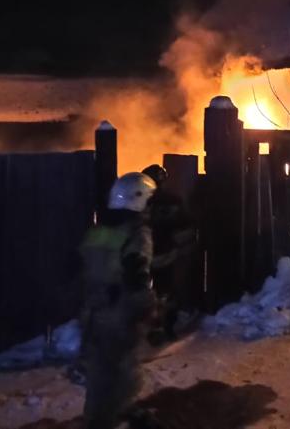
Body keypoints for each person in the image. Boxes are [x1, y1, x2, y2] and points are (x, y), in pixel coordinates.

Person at [79, 172, 157, 429]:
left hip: (93, 311)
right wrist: (148, 307)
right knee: (124, 371)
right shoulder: (136, 233)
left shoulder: (98, 231)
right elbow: (137, 274)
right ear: (139, 199)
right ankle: (119, 418)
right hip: (120, 312)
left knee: (99, 371)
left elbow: (81, 267)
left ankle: (96, 419)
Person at [140, 164, 197, 344]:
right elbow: (185, 228)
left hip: (143, 255)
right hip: (165, 255)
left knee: (146, 291)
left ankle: (152, 327)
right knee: (165, 292)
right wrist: (180, 247)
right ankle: (165, 327)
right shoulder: (172, 201)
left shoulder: (139, 202)